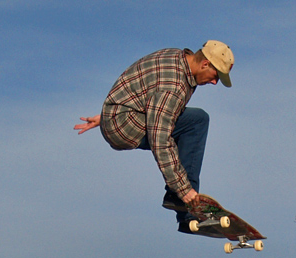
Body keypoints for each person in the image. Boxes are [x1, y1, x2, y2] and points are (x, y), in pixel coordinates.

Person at [74, 41, 235, 233]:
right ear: (205, 64)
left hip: (118, 115)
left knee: (197, 120)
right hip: (123, 128)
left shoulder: (176, 57)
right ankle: (185, 208)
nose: (214, 82)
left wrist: (107, 116)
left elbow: (143, 87)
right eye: (216, 76)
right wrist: (184, 190)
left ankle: (179, 197)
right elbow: (160, 139)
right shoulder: (174, 87)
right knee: (194, 126)